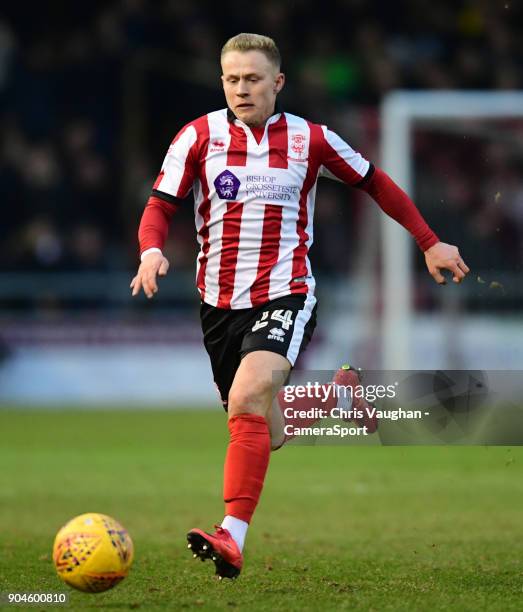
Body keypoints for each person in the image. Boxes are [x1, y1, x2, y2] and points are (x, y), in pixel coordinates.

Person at [130, 33, 470, 580]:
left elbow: (376, 183)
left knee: (248, 396)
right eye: (232, 79)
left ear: (277, 82)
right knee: (268, 425)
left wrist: (430, 241)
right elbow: (159, 205)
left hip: (287, 291)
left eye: (253, 79)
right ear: (223, 82)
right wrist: (150, 251)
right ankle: (338, 396)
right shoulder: (197, 137)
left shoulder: (312, 140)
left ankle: (231, 535)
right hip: (218, 304)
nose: (242, 89)